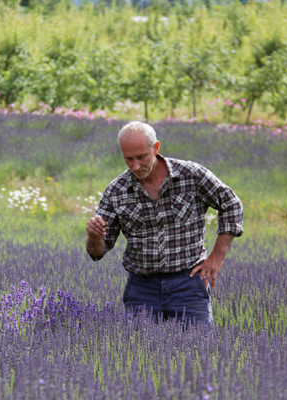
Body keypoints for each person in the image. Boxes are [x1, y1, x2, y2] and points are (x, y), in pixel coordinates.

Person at [86, 121, 243, 325]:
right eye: (129, 159)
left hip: (188, 284)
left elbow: (232, 204)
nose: (136, 166)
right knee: (140, 353)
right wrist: (94, 237)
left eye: (142, 157)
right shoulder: (116, 191)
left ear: (156, 148)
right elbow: (97, 251)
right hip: (141, 289)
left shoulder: (191, 175)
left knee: (200, 352)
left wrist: (216, 258)